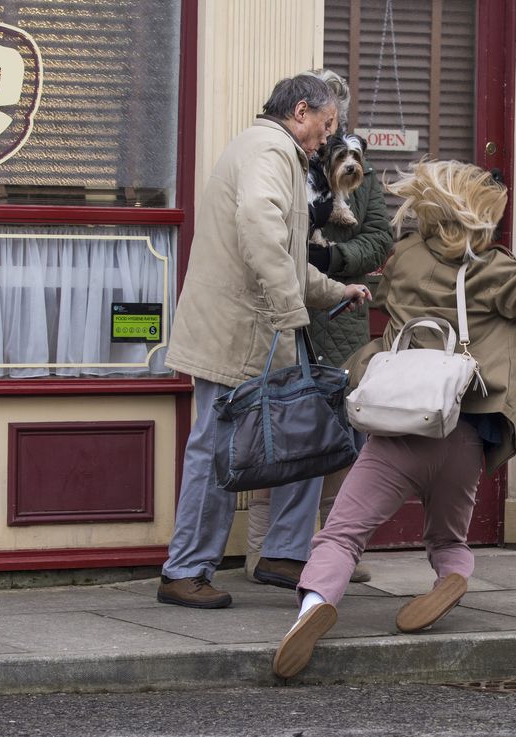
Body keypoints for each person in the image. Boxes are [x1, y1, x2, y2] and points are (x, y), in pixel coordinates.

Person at [271, 159, 516, 678]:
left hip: (398, 428)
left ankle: (312, 610)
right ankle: (450, 576)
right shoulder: (496, 271)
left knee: (341, 535)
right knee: (448, 537)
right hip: (462, 431)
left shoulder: (405, 259)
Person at [157, 74, 372, 610]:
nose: (328, 139)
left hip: (254, 329)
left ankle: (282, 553)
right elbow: (260, 230)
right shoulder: (269, 151)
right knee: (213, 448)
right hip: (239, 333)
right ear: (301, 111)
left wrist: (332, 290)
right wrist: (291, 310)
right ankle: (184, 570)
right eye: (326, 127)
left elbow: (285, 254)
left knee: (308, 431)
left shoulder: (275, 153)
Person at [245, 69, 393, 586]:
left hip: (340, 321)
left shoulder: (362, 174)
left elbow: (379, 240)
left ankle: (335, 552)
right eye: (326, 121)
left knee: (340, 447)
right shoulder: (288, 160)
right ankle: (264, 552)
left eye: (337, 120)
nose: (330, 133)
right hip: (287, 318)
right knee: (280, 440)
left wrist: (329, 257)